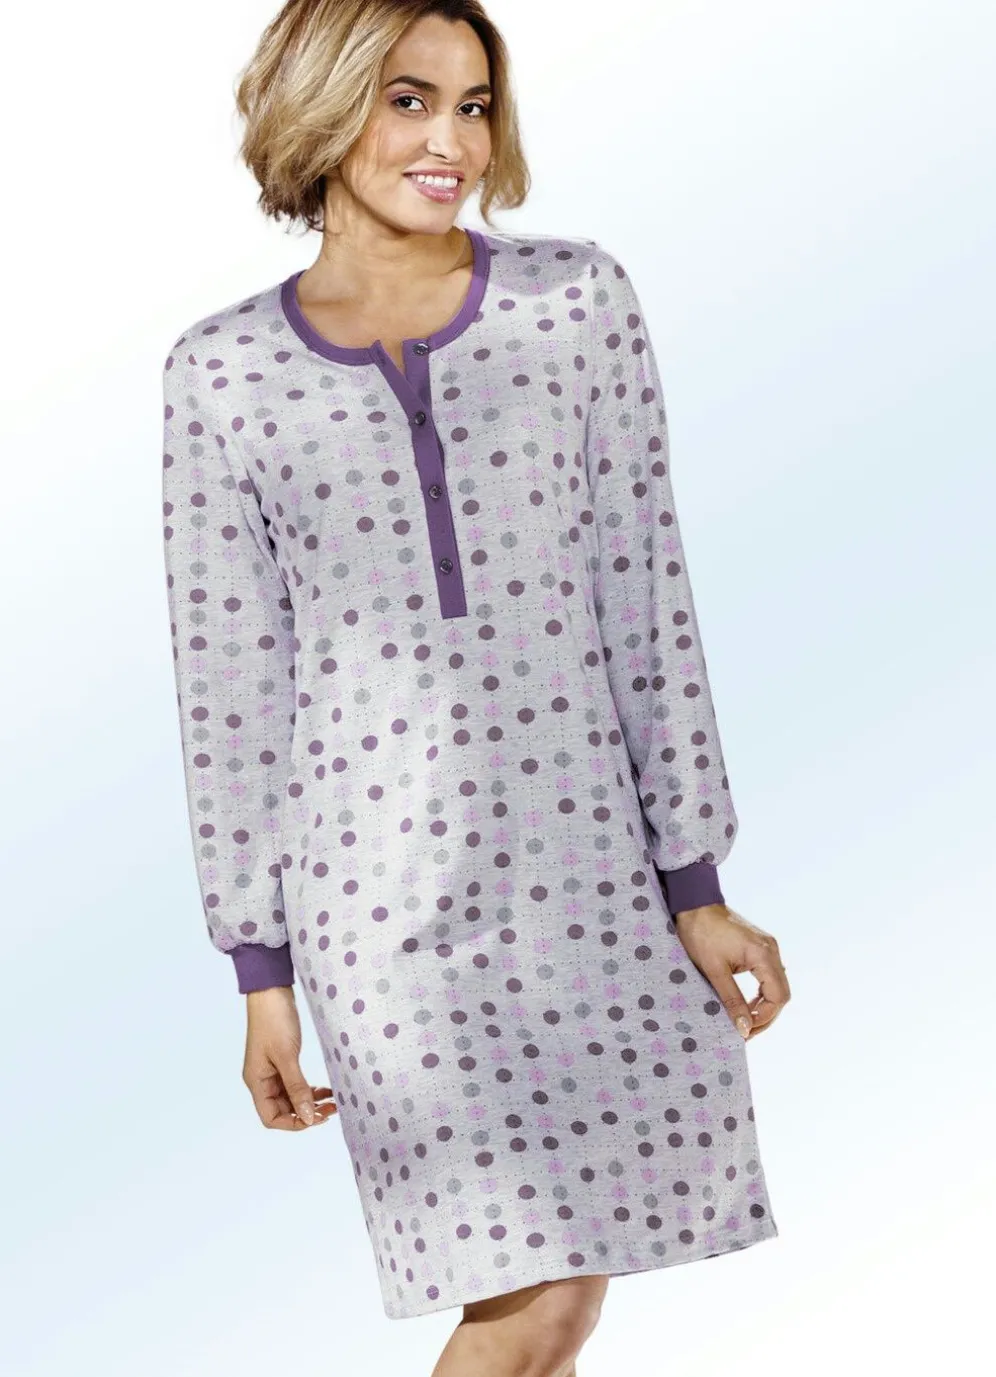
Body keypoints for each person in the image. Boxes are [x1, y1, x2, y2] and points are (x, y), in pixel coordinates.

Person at [160, 1, 791, 1372]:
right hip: (384, 912)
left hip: (594, 878)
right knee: (526, 1302)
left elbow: (645, 589)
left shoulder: (575, 303)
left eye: (474, 104)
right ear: (322, 104)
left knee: (565, 1308)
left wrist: (696, 880)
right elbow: (227, 689)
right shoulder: (224, 372)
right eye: (408, 100)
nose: (450, 139)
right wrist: (260, 970)